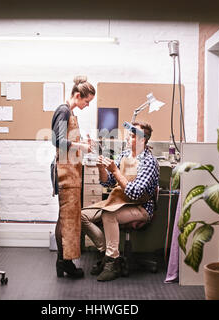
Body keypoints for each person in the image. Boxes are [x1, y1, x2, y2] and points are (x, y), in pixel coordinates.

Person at [81, 121, 159, 282]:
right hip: (118, 202)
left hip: (140, 207)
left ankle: (111, 264)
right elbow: (107, 182)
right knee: (81, 216)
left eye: (132, 136)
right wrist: (102, 168)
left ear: (142, 140)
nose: (128, 139)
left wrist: (115, 171)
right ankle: (107, 255)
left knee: (109, 215)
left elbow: (136, 193)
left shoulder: (149, 162)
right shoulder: (124, 155)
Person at [51, 76, 95, 278]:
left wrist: (81, 144)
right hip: (65, 174)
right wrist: (82, 146)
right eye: (86, 101)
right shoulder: (63, 111)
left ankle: (64, 262)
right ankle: (64, 263)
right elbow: (58, 142)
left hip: (71, 172)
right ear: (78, 95)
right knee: (67, 219)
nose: (87, 105)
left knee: (68, 218)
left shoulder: (69, 113)